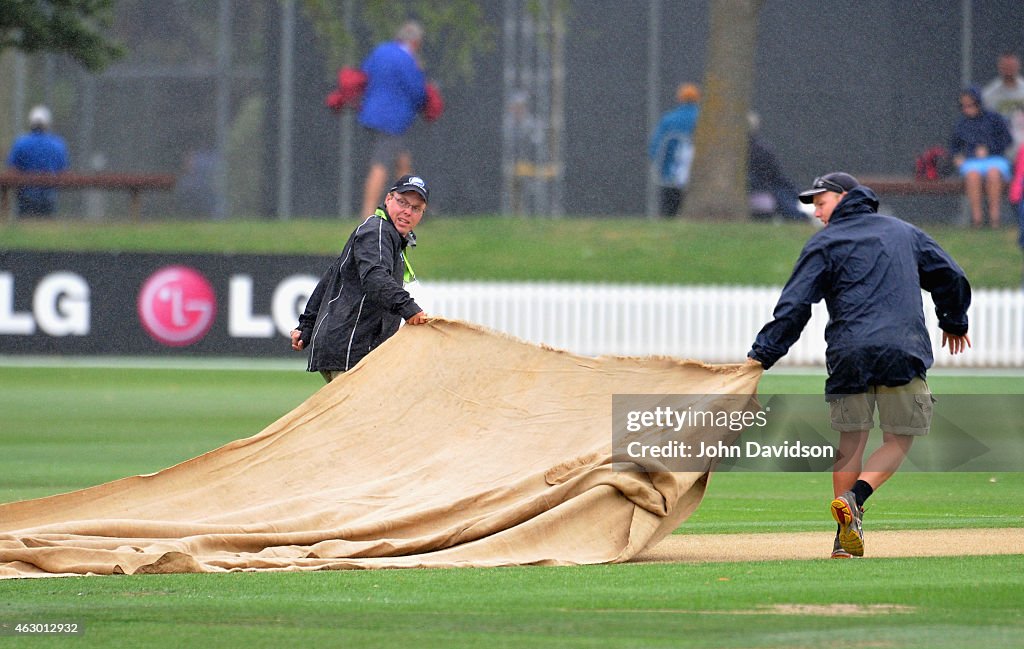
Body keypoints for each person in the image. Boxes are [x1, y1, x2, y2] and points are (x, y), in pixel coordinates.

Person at [745, 172, 972, 559]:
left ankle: (843, 537)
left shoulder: (824, 244)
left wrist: (762, 355)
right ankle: (857, 497)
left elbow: (795, 306)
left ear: (844, 197)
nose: (816, 212)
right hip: (902, 351)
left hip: (849, 354)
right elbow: (950, 275)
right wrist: (953, 321)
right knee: (899, 439)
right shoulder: (904, 233)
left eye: (821, 202)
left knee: (850, 445)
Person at [291, 175, 430, 382]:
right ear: (388, 199)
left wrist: (307, 325)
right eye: (402, 202)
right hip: (352, 350)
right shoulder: (378, 231)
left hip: (349, 348)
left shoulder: (380, 232)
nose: (407, 212)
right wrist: (409, 309)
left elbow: (331, 277)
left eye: (416, 208)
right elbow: (375, 277)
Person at [358, 21, 429, 219]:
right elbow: (418, 92)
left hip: (371, 115)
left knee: (402, 161)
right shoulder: (408, 59)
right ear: (415, 42)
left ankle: (411, 207)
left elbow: (364, 74)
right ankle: (368, 213)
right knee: (380, 164)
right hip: (392, 121)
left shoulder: (380, 51)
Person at [950, 86, 1013, 228]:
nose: (967, 109)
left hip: (995, 159)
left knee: (993, 174)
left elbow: (1007, 140)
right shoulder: (961, 123)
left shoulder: (994, 118)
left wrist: (989, 149)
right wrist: (957, 157)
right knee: (973, 176)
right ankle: (977, 218)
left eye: (970, 105)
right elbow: (954, 146)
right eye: (964, 106)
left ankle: (994, 217)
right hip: (972, 162)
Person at [5, 105, 70, 217]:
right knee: (47, 228)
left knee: (26, 226)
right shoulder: (58, 144)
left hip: (26, 197)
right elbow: (63, 171)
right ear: (47, 123)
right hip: (49, 196)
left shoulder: (21, 143)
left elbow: (12, 169)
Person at [648, 83, 700, 217]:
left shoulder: (668, 120)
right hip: (698, 177)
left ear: (680, 98)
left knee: (669, 212)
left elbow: (655, 148)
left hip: (671, 176)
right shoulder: (704, 119)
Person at [747, 112, 805, 221]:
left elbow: (775, 176)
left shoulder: (760, 149)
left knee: (784, 195)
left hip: (765, 189)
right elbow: (776, 176)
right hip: (762, 190)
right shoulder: (761, 149)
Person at [981, 51, 1024, 160]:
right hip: (1000, 142)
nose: (1009, 69)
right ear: (1000, 67)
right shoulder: (989, 94)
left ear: (1018, 66)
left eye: (1011, 66)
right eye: (1005, 66)